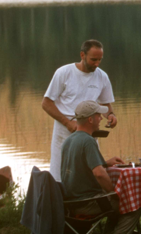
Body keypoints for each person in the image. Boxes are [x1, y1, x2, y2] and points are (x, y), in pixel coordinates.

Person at [60, 100, 141, 234]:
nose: (101, 119)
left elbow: (82, 166)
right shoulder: (88, 141)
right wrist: (113, 192)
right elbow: (98, 174)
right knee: (134, 202)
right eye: (98, 116)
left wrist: (104, 163)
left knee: (120, 200)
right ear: (90, 119)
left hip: (71, 202)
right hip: (87, 203)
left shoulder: (69, 140)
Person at [42, 40, 117, 181]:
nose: (97, 64)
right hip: (65, 130)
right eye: (93, 59)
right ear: (82, 55)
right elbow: (46, 103)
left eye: (100, 60)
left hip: (90, 130)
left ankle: (87, 199)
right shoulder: (64, 73)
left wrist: (111, 115)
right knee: (61, 172)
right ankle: (59, 199)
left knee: (90, 170)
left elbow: (106, 104)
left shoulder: (102, 76)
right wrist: (67, 123)